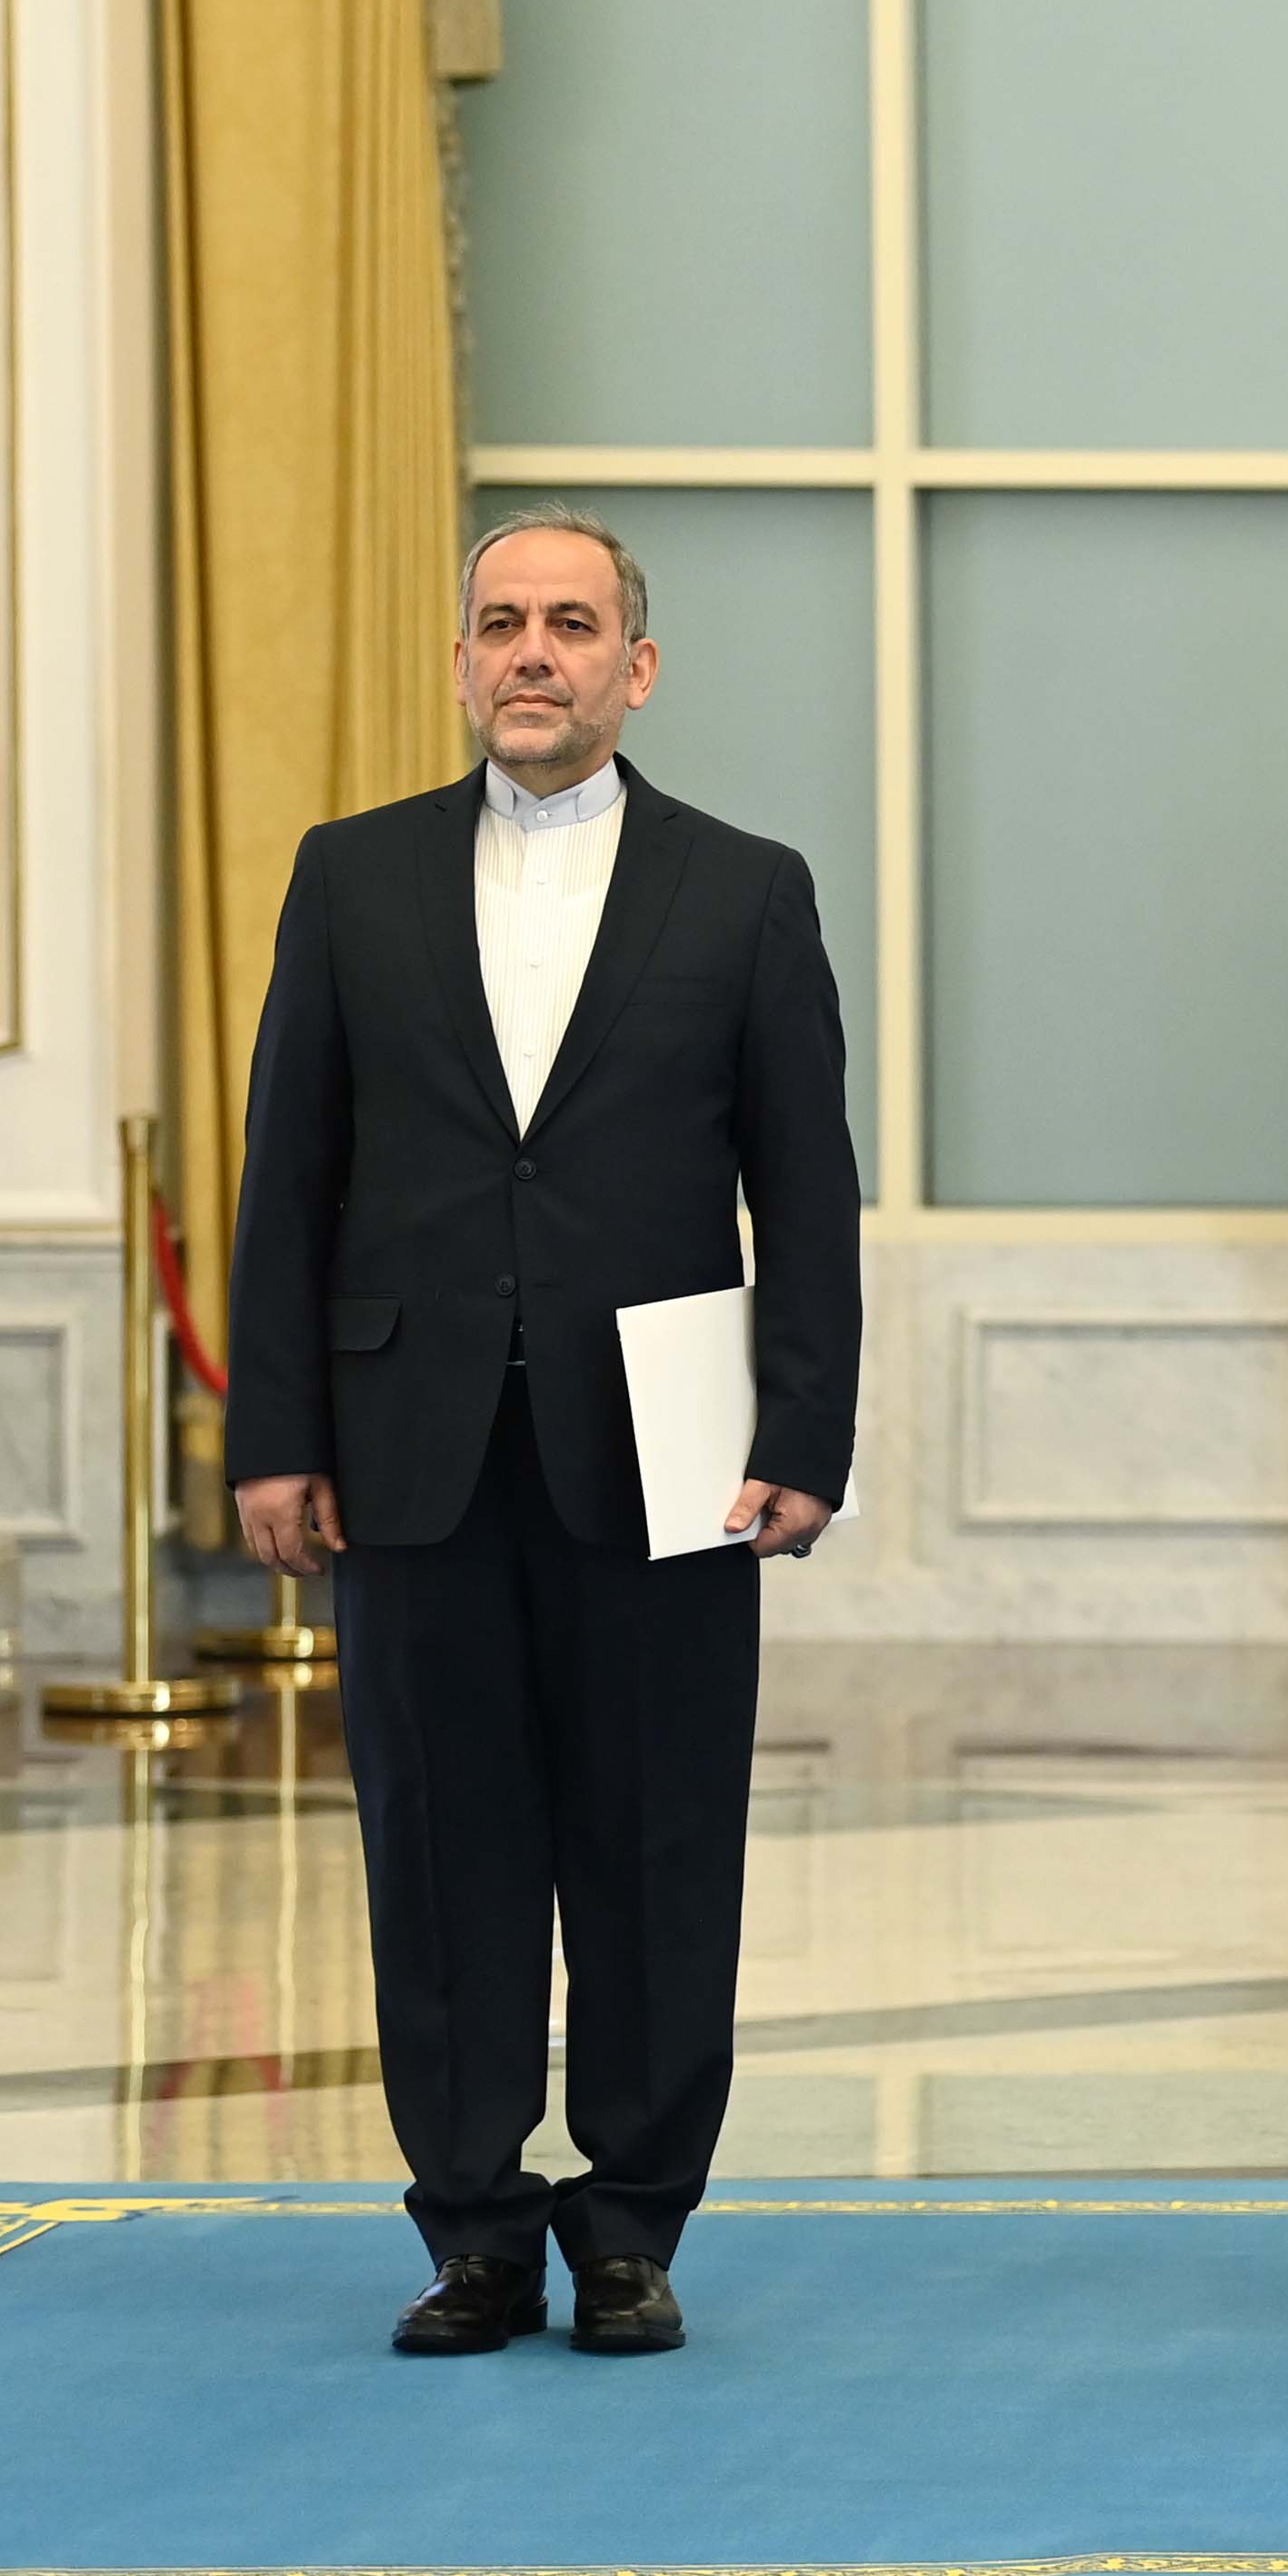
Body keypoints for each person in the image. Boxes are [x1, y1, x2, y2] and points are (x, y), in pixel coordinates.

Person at [224, 507, 863, 2359]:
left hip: (665, 1443)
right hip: (408, 1442)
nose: (532, 651)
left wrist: (804, 1429)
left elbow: (803, 1186)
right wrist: (275, 1433)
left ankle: (635, 2223)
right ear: (459, 661)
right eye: (501, 621)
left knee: (660, 1839)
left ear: (632, 668)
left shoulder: (745, 889)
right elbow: (289, 1175)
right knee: (441, 1844)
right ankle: (476, 2228)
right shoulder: (351, 877)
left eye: (570, 624)